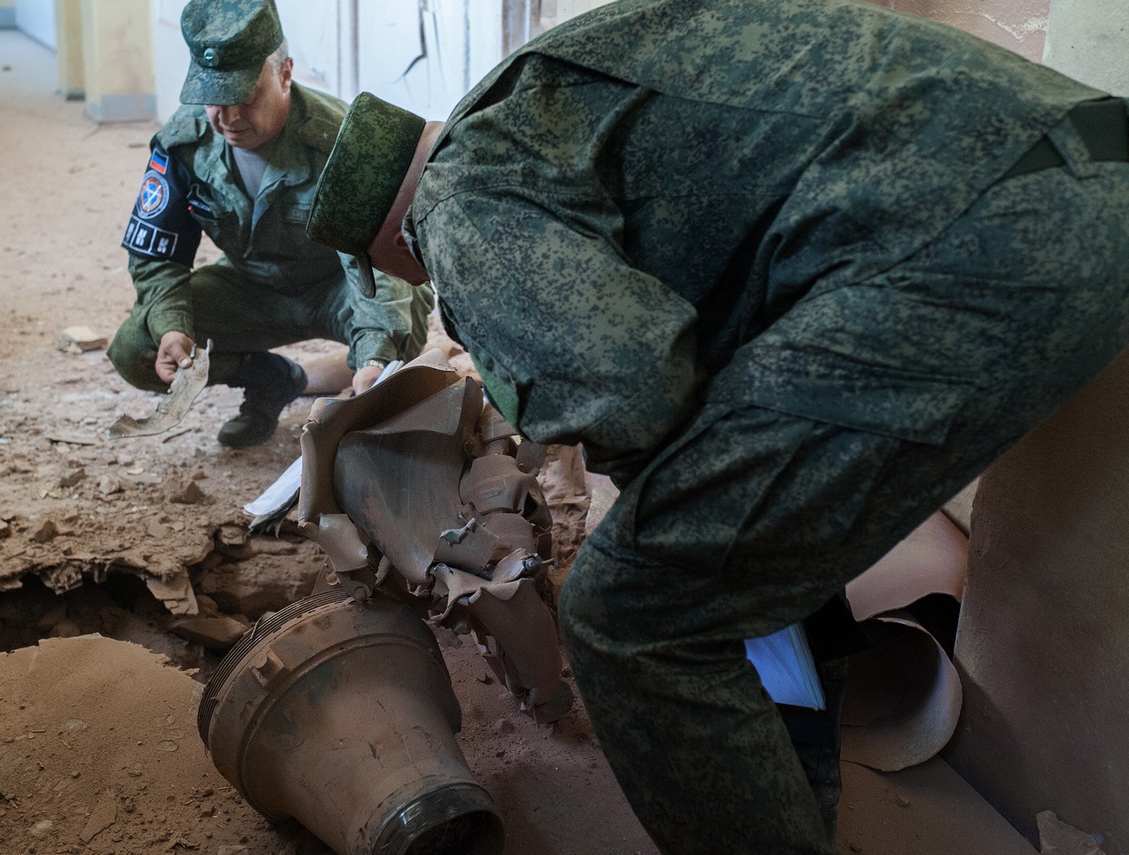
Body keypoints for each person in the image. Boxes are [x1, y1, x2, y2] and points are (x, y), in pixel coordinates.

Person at [304, 0, 1129, 851]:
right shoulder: (538, 85)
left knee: (631, 611)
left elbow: (626, 393)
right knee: (732, 535)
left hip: (986, 235)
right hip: (1078, 163)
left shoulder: (453, 198)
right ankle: (796, 801)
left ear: (391, 242)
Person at [107, 0, 434, 448]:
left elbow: (379, 264)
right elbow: (156, 256)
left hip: (342, 286)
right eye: (215, 99)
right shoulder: (182, 144)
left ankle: (362, 396)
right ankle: (271, 380)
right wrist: (172, 327)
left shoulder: (343, 138)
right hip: (250, 288)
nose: (231, 117)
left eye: (247, 96)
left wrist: (375, 353)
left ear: (285, 74)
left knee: (403, 322)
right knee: (137, 347)